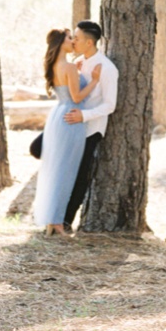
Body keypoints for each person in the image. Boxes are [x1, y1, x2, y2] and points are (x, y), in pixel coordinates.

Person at [31, 27, 94, 235]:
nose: (73, 41)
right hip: (71, 118)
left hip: (58, 115)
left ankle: (53, 220)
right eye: (69, 38)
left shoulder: (56, 66)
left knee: (57, 169)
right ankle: (57, 222)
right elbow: (77, 97)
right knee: (67, 170)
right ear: (60, 43)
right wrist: (94, 81)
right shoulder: (69, 67)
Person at [60, 20, 116, 232]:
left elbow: (110, 105)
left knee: (79, 175)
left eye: (77, 38)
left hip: (91, 129)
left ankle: (66, 221)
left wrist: (84, 116)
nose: (73, 41)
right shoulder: (78, 62)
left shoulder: (107, 68)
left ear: (89, 42)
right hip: (70, 127)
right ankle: (55, 216)